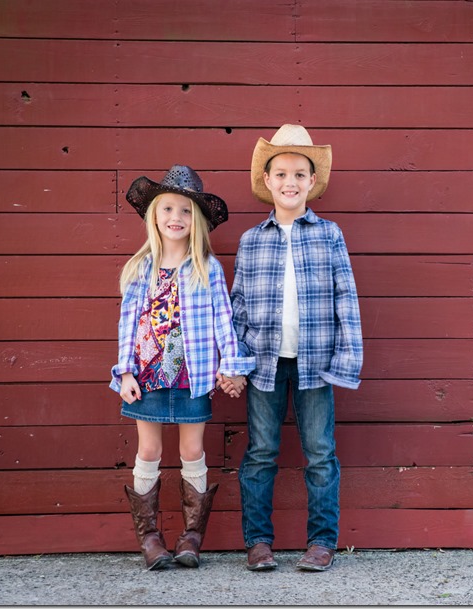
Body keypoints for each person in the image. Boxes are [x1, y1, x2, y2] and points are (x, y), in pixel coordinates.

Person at [226, 124, 363, 572]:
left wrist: (346, 360)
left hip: (316, 364)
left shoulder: (329, 235)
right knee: (261, 452)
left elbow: (346, 298)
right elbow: (238, 307)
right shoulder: (251, 240)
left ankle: (322, 542)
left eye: (299, 174)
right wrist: (235, 362)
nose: (290, 182)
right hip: (263, 363)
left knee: (320, 453)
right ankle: (258, 543)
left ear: (311, 182)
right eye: (281, 173)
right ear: (267, 181)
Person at [110, 165, 254, 570]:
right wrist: (123, 372)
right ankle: (151, 540)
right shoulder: (140, 269)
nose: (177, 218)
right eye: (169, 209)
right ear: (155, 215)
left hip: (193, 378)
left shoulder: (207, 268)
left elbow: (223, 323)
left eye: (187, 211)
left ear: (198, 222)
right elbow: (127, 324)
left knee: (192, 450)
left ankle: (191, 537)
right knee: (149, 449)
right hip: (148, 377)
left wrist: (233, 367)